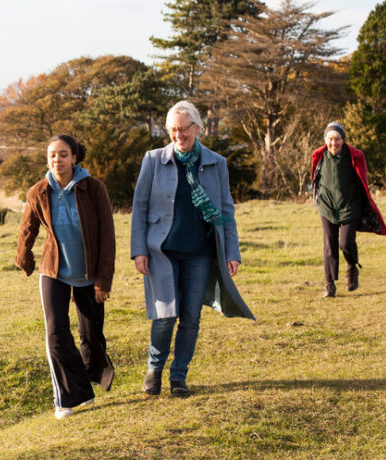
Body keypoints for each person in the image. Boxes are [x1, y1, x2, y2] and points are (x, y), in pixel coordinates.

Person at [130, 100, 253, 398]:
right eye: (173, 130)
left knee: (191, 317)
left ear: (197, 128)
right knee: (164, 315)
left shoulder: (216, 163)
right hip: (162, 250)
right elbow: (140, 207)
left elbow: (225, 210)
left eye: (183, 129)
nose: (178, 135)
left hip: (201, 251)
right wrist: (138, 250)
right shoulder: (153, 159)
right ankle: (154, 370)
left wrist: (232, 252)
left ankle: (179, 377)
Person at [16, 134, 116, 420]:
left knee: (91, 336)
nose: (57, 160)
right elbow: (28, 227)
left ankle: (87, 381)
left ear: (75, 157)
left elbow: (107, 237)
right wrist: (25, 256)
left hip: (88, 272)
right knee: (56, 333)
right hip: (54, 271)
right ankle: (66, 399)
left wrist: (103, 280)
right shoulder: (39, 191)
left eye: (63, 154)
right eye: (52, 155)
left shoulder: (94, 188)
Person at [311, 122, 386, 297]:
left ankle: (352, 267)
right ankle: (329, 285)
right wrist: (318, 201)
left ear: (343, 140)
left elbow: (362, 180)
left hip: (350, 207)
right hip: (327, 207)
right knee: (329, 245)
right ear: (325, 140)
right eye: (330, 139)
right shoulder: (319, 156)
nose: (333, 143)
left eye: (337, 139)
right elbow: (315, 179)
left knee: (346, 243)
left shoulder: (355, 155)